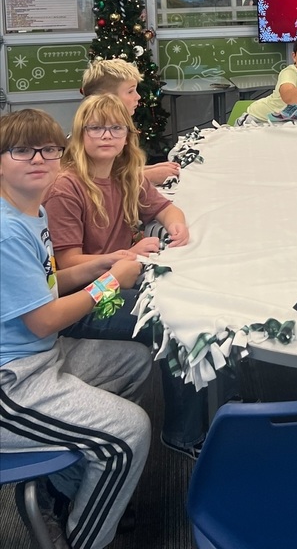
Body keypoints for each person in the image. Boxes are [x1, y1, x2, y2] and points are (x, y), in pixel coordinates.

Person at [1, 109, 151, 549]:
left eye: (49, 149)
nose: (39, 159)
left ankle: (72, 483)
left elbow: (45, 286)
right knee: (130, 432)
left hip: (43, 356)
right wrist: (108, 283)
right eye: (22, 150)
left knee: (134, 361)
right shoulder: (8, 231)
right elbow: (45, 318)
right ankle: (86, 539)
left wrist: (102, 263)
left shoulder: (32, 212)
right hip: (13, 382)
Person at [44, 94, 213, 460]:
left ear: (126, 135)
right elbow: (67, 264)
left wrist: (177, 224)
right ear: (80, 134)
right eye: (96, 128)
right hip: (84, 302)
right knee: (170, 319)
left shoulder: (124, 176)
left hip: (119, 280)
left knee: (187, 303)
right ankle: (185, 433)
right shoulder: (67, 188)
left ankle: (209, 415)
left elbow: (165, 206)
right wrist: (122, 259)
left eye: (115, 127)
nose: (106, 135)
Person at [80, 58, 180, 186]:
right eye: (130, 91)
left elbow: (117, 170)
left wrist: (150, 169)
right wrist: (149, 176)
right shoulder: (92, 138)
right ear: (107, 97)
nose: (138, 97)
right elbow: (100, 180)